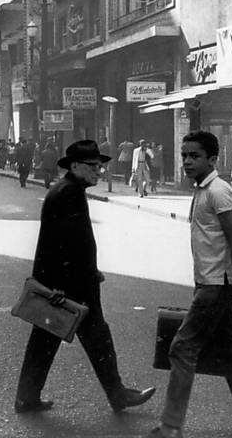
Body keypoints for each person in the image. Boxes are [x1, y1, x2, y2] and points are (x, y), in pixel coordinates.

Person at [15, 139, 155, 414]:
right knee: (96, 339)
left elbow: (63, 242)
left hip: (67, 282)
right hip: (73, 285)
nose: (98, 171)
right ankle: (118, 395)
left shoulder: (67, 190)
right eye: (92, 167)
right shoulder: (68, 193)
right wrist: (59, 285)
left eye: (100, 166)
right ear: (76, 166)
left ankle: (27, 397)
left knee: (47, 340)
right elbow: (63, 244)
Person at [147, 131, 232, 438]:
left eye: (194, 156)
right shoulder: (203, 189)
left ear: (212, 159)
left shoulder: (218, 191)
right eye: (185, 155)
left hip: (216, 285)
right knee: (230, 352)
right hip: (211, 283)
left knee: (181, 348)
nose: (187, 161)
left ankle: (171, 428)